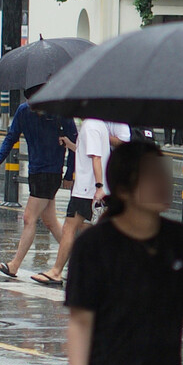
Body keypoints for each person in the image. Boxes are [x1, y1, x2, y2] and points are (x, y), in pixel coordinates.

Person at [65, 141, 183, 365]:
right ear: (123, 189)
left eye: (163, 173)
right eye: (151, 176)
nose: (163, 183)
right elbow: (80, 322)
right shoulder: (93, 246)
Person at [0, 85, 78, 279]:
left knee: (29, 218)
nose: (32, 107)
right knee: (50, 221)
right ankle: (78, 259)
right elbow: (11, 136)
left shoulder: (60, 112)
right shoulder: (23, 111)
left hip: (51, 172)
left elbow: (75, 142)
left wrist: (69, 173)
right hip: (35, 170)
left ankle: (14, 265)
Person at [30, 119, 130, 285]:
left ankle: (56, 271)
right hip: (93, 188)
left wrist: (98, 186)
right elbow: (88, 152)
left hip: (86, 189)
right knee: (88, 230)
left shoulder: (90, 126)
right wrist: (70, 144)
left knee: (69, 228)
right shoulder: (100, 126)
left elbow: (95, 158)